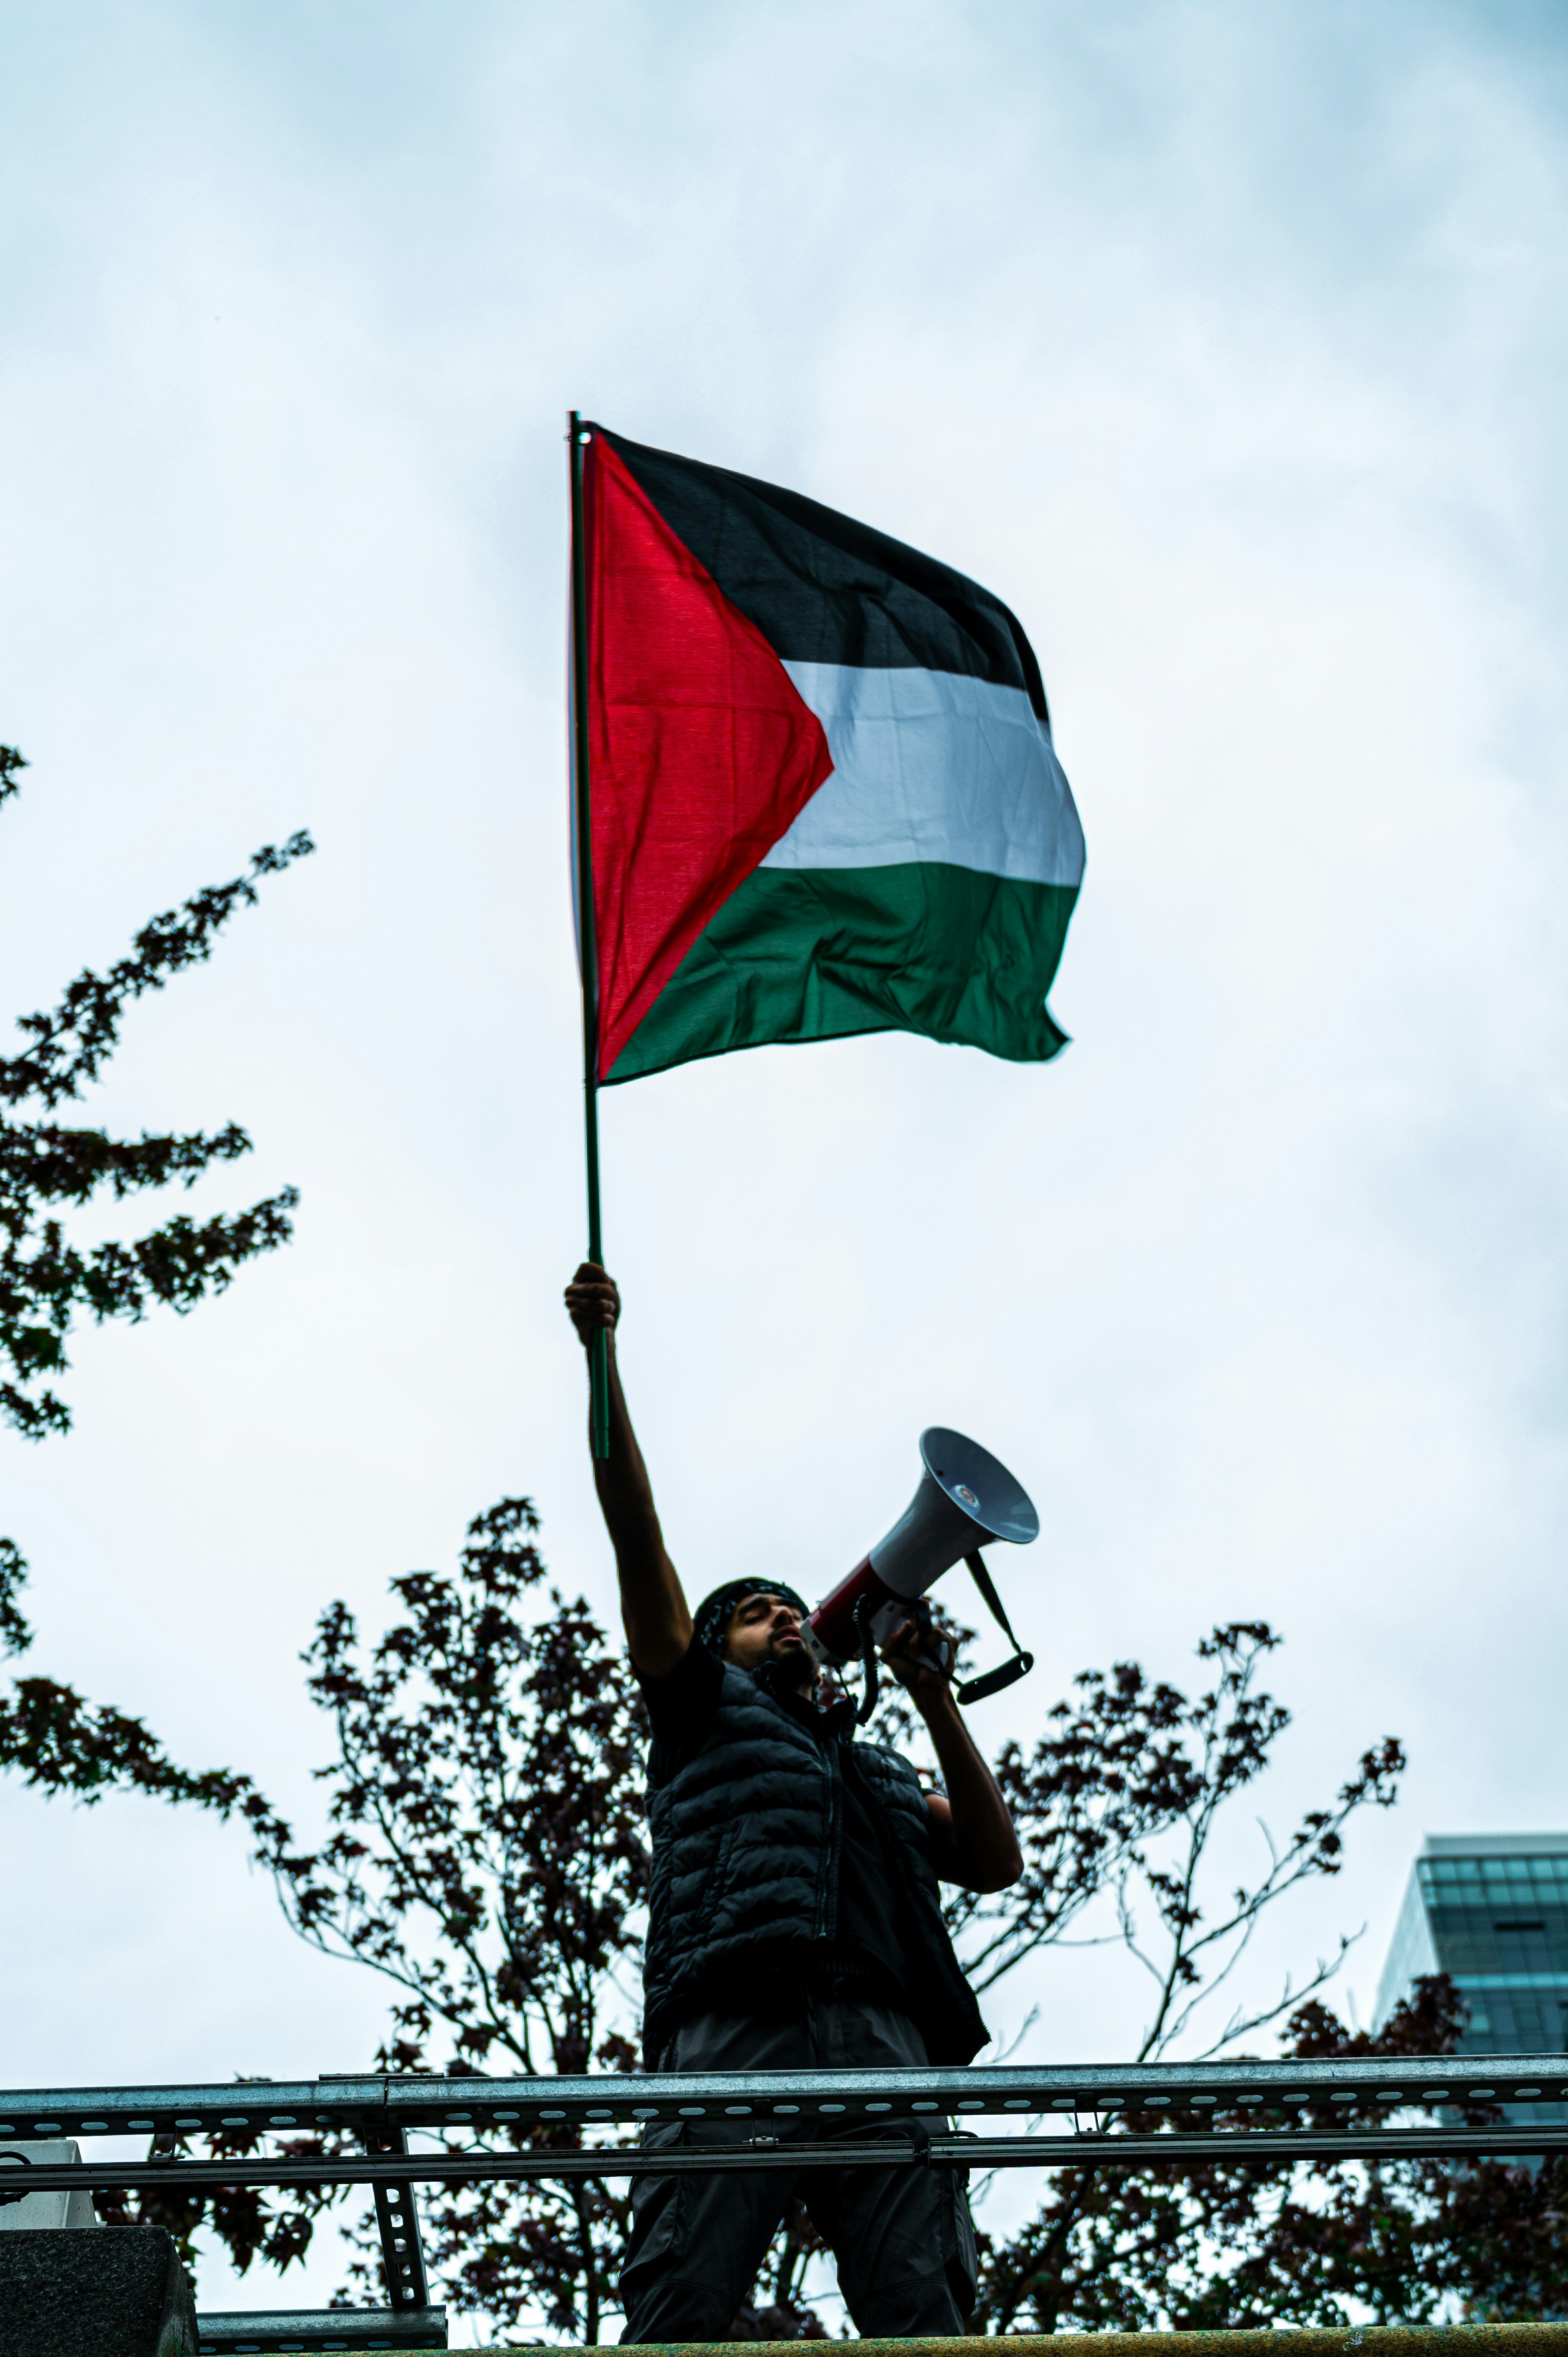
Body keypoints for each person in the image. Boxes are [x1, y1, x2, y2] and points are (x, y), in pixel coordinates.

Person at [564, 1261, 1024, 2344]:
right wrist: (603, 1359)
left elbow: (997, 1861)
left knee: (925, 2310)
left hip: (884, 2035)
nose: (779, 1617)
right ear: (712, 1646)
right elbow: (639, 1535)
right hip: (736, 2020)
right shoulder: (700, 1709)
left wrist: (934, 1699)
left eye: (787, 1608)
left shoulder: (870, 1766)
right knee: (681, 2297)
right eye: (751, 1613)